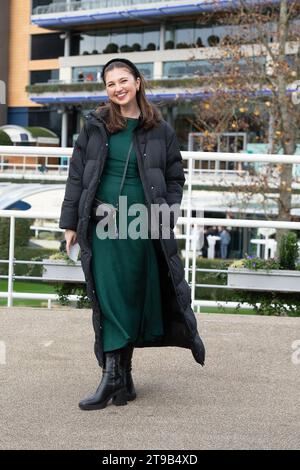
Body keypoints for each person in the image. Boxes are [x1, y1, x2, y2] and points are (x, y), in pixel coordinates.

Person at [59, 57, 205, 411]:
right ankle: (112, 377)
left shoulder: (161, 130)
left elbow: (174, 178)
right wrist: (69, 222)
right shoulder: (95, 126)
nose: (117, 88)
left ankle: (123, 378)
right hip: (102, 220)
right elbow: (77, 175)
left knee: (131, 295)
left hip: (142, 222)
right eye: (110, 84)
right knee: (108, 293)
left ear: (138, 82)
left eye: (123, 80)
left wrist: (166, 214)